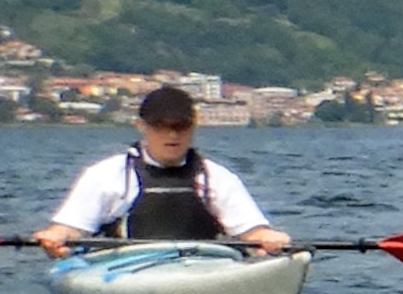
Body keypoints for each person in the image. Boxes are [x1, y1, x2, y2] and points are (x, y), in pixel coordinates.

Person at [31, 85, 289, 255]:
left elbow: (252, 232)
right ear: (141, 126)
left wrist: (269, 238)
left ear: (193, 126)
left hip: (201, 271)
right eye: (160, 126)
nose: (172, 135)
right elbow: (72, 228)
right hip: (125, 272)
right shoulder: (107, 175)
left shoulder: (216, 179)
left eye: (181, 126)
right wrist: (56, 237)